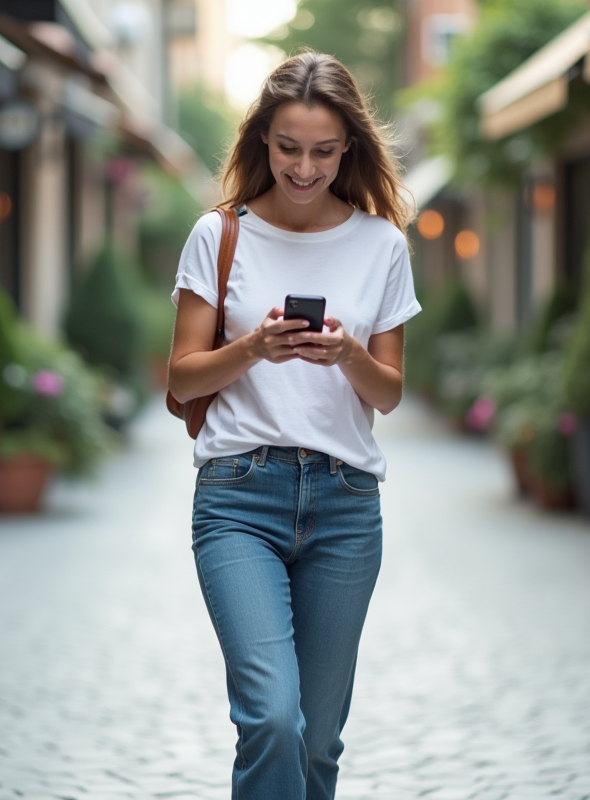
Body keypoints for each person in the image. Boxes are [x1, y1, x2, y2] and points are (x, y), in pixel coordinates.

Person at [167, 51, 420, 800]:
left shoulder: (382, 244)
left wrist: (345, 353)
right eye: (287, 147)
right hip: (239, 499)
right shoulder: (219, 236)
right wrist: (251, 348)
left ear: (349, 149)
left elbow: (391, 393)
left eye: (322, 150)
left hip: (345, 506)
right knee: (272, 720)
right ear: (261, 142)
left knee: (317, 741)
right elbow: (182, 379)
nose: (303, 168)